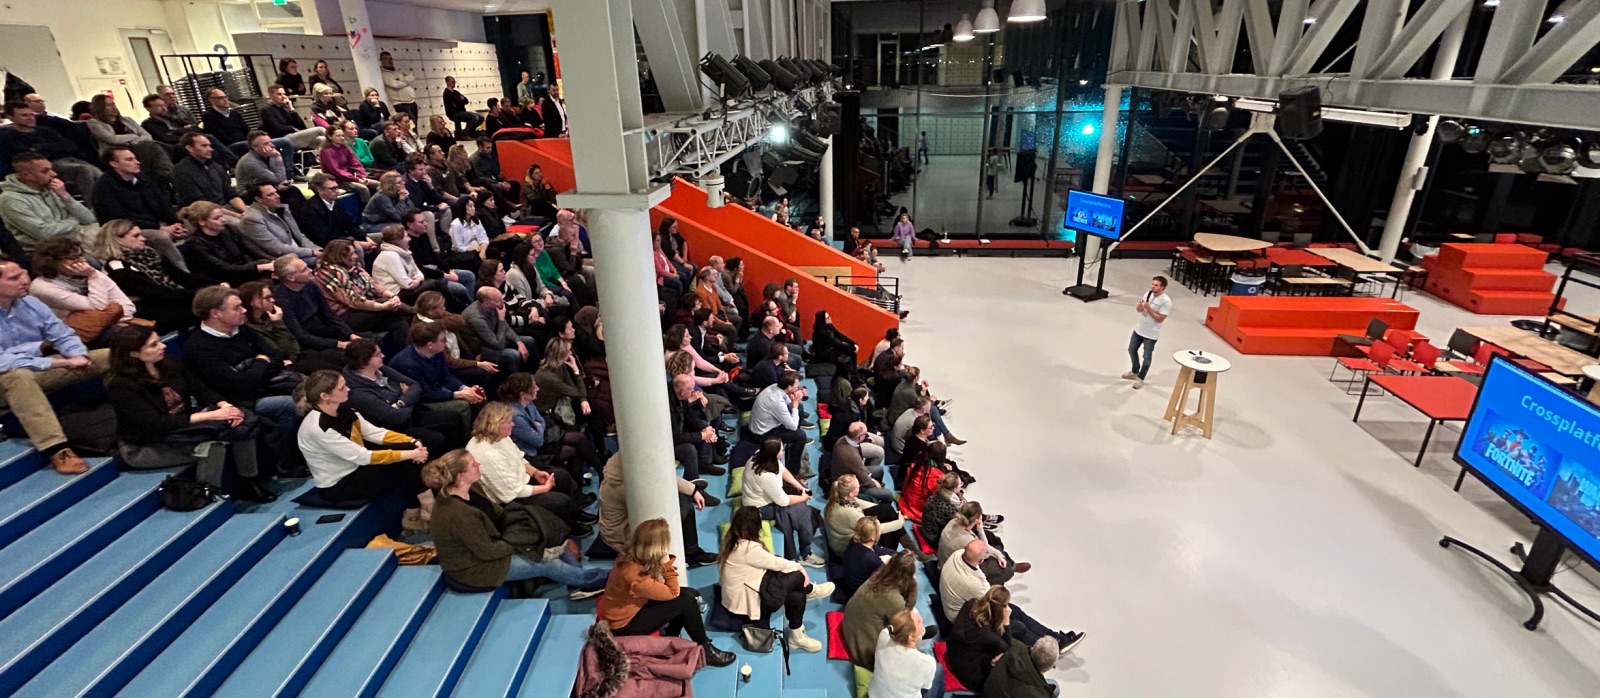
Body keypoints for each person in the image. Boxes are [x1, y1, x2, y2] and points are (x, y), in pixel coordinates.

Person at [105, 325, 273, 501]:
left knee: (239, 423)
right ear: (133, 354)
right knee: (211, 448)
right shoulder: (121, 387)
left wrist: (224, 406)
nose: (162, 346)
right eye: (153, 345)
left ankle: (249, 482)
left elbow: (200, 388)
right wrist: (210, 416)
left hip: (181, 430)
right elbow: (154, 424)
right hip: (147, 444)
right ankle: (207, 496)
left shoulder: (169, 364)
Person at [423, 449, 606, 598]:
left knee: (550, 535)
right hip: (476, 568)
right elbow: (489, 551)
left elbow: (498, 512)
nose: (478, 464)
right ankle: (592, 580)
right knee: (546, 563)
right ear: (461, 476)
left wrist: (528, 531)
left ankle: (578, 582)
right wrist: (523, 542)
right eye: (473, 464)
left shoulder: (473, 487)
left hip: (496, 542)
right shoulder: (457, 514)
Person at [181, 285, 306, 474]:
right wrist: (261, 361)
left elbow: (277, 355)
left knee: (314, 386)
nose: (244, 310)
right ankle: (284, 462)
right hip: (237, 402)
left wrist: (254, 368)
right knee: (288, 405)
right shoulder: (200, 348)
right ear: (216, 313)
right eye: (237, 307)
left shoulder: (242, 329)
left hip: (264, 386)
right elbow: (239, 386)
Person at [0, 256, 106, 474]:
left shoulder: (31, 302)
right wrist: (59, 361)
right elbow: (3, 361)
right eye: (14, 278)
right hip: (8, 380)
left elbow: (62, 334)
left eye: (23, 272)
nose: (24, 279)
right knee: (16, 375)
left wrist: (78, 355)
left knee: (115, 355)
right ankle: (58, 449)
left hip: (40, 367)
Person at [295, 370, 430, 525]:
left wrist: (411, 441)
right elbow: (363, 456)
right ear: (325, 396)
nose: (348, 389)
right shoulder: (319, 428)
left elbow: (374, 433)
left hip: (355, 467)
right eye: (341, 388)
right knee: (406, 464)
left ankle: (417, 511)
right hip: (339, 483)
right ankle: (424, 510)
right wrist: (411, 454)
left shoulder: (345, 410)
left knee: (410, 449)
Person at [599, 518, 738, 667]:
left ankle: (672, 634)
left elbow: (659, 589)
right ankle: (706, 650)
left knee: (690, 594)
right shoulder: (636, 577)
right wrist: (666, 564)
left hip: (627, 609)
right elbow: (673, 592)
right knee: (686, 601)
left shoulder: (630, 556)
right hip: (623, 626)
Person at [466, 402, 595, 536]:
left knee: (561, 476)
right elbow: (511, 493)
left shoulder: (500, 437)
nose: (513, 424)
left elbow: (519, 458)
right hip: (511, 498)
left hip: (520, 481)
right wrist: (545, 488)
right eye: (509, 422)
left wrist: (536, 473)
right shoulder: (487, 455)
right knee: (559, 501)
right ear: (495, 425)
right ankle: (569, 526)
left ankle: (574, 513)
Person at [718, 506, 834, 652]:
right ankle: (810, 590)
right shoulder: (749, 549)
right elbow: (778, 563)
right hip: (748, 600)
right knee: (796, 575)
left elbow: (773, 561)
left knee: (796, 594)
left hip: (744, 588)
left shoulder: (733, 540)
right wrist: (800, 568)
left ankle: (796, 635)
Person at [940, 539, 1083, 654]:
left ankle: (1055, 637)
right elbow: (989, 596)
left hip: (961, 602)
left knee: (1017, 612)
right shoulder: (975, 586)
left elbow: (981, 578)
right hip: (960, 617)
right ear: (981, 561)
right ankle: (1047, 649)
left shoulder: (958, 554)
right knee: (1016, 626)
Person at [594, 449, 720, 564]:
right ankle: (690, 554)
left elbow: (659, 476)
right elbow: (654, 504)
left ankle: (691, 552)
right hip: (621, 535)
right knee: (680, 510)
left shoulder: (622, 468)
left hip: (624, 524)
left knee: (682, 501)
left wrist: (692, 490)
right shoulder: (625, 489)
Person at [341, 338, 456, 454]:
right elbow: (395, 418)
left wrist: (400, 402)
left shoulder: (381, 369)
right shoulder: (359, 393)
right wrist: (406, 395)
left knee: (453, 417)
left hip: (411, 414)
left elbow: (415, 385)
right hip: (396, 429)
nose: (383, 355)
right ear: (364, 362)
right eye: (378, 354)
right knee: (436, 438)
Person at [90, 147, 189, 270]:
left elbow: (163, 204)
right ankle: (183, 272)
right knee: (161, 237)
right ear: (114, 164)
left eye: (135, 158)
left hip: (156, 224)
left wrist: (175, 222)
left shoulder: (143, 179)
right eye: (129, 159)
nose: (137, 162)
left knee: (194, 225)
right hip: (125, 231)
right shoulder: (104, 187)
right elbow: (117, 219)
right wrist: (160, 227)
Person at [91, 220, 196, 330]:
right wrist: (197, 295)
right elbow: (157, 294)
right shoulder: (117, 268)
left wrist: (211, 285)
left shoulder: (150, 254)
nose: (143, 239)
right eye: (136, 236)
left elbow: (184, 278)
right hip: (151, 311)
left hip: (172, 300)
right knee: (205, 307)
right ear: (118, 240)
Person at [28, 236, 135, 342]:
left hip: (106, 324)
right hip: (70, 334)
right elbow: (99, 307)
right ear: (52, 262)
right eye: (74, 258)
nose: (82, 261)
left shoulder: (88, 272)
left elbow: (128, 307)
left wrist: (113, 316)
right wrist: (92, 276)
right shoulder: (43, 287)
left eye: (81, 256)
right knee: (136, 338)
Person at [741, 438, 824, 567]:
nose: (783, 451)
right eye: (781, 449)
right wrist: (803, 498)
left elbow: (782, 470)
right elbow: (783, 501)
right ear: (774, 453)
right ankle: (805, 554)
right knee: (803, 513)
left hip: (769, 496)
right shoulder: (765, 476)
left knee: (799, 504)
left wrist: (800, 487)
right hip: (761, 508)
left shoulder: (761, 455)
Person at [0, 101, 102, 201]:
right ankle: (94, 208)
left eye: (31, 114)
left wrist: (40, 147)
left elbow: (69, 146)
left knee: (100, 174)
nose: (30, 118)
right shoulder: (9, 137)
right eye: (24, 115)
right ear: (11, 118)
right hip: (47, 166)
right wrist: (52, 148)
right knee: (83, 170)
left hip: (70, 159)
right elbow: (28, 156)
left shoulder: (45, 131)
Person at [389, 321, 487, 424]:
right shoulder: (406, 364)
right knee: (463, 405)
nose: (446, 343)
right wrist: (459, 394)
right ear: (430, 345)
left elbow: (445, 376)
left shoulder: (436, 351)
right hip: (420, 401)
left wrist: (464, 388)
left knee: (475, 396)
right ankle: (466, 437)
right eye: (443, 340)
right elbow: (425, 394)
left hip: (436, 388)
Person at [241, 280, 345, 374]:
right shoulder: (250, 328)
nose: (272, 300)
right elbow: (281, 351)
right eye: (267, 298)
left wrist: (294, 354)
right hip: (281, 364)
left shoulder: (270, 316)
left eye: (271, 297)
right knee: (325, 366)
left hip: (296, 355)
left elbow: (293, 340)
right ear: (252, 302)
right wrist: (278, 323)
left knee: (335, 356)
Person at [314, 239, 410, 341]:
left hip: (363, 308)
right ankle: (415, 312)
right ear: (340, 257)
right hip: (346, 315)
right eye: (351, 254)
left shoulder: (355, 267)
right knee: (386, 303)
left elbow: (374, 284)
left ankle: (407, 354)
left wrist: (392, 296)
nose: (356, 256)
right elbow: (352, 301)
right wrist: (383, 306)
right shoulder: (327, 274)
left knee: (399, 322)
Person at [0, 153, 97, 253]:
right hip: (45, 252)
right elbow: (45, 234)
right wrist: (74, 221)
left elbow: (88, 219)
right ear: (27, 176)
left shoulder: (52, 188)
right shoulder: (11, 200)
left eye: (51, 169)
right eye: (45, 171)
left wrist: (66, 197)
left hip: (73, 240)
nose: (53, 174)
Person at [842, 551, 919, 669]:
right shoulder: (894, 599)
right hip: (864, 647)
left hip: (850, 626)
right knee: (912, 628)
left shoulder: (878, 577)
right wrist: (913, 584)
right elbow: (906, 616)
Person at [84, 95, 174, 190]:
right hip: (116, 152)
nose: (113, 107)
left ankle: (166, 176)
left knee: (170, 148)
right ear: (99, 107)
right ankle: (170, 176)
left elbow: (147, 136)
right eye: (108, 105)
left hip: (138, 147)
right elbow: (111, 139)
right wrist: (134, 137)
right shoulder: (94, 123)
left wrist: (135, 141)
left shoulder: (127, 120)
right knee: (153, 146)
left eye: (113, 104)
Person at [272, 254, 358, 352]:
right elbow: (300, 336)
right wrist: (339, 344)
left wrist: (350, 335)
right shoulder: (281, 300)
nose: (310, 270)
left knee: (369, 340)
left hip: (323, 329)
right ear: (291, 277)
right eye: (304, 270)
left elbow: (329, 314)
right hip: (309, 342)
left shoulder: (310, 285)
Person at [371, 223, 470, 308]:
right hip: (395, 294)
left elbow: (418, 272)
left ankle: (458, 307)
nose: (409, 239)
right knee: (436, 284)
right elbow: (407, 284)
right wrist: (418, 279)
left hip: (409, 287)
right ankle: (460, 307)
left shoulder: (405, 251)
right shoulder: (390, 255)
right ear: (398, 240)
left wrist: (418, 279)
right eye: (406, 236)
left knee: (439, 284)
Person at [179, 201, 273, 287]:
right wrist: (257, 267)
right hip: (222, 280)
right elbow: (222, 268)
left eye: (222, 216)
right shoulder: (194, 244)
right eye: (217, 218)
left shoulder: (229, 229)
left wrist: (272, 261)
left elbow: (251, 249)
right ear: (202, 222)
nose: (223, 220)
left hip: (243, 270)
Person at [946, 586, 1014, 691]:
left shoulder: (971, 603)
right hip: (967, 673)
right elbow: (1008, 648)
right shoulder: (990, 636)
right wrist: (1006, 621)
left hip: (953, 653)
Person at [203, 89, 296, 166]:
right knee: (247, 145)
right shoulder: (209, 116)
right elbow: (220, 137)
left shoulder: (234, 113)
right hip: (230, 147)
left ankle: (288, 172)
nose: (225, 100)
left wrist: (255, 140)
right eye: (220, 98)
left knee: (285, 142)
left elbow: (247, 130)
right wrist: (251, 143)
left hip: (246, 142)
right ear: (211, 100)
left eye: (225, 97)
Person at [748, 371, 811, 476]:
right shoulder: (776, 401)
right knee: (800, 435)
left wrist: (797, 397)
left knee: (799, 408)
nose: (799, 386)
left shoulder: (776, 387)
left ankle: (791, 443)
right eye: (797, 385)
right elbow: (793, 426)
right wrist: (795, 404)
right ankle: (793, 470)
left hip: (767, 424)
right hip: (762, 433)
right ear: (790, 387)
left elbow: (788, 403)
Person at [242, 184, 319, 264]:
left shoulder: (282, 210)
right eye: (270, 195)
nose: (278, 196)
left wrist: (316, 249)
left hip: (300, 253)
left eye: (276, 192)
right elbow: (277, 249)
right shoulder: (252, 219)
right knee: (326, 262)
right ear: (258, 199)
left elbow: (299, 236)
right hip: (281, 260)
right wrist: (311, 252)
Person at [462, 286, 530, 375]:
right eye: (498, 300)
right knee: (513, 354)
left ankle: (531, 375)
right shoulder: (476, 318)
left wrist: (519, 342)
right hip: (479, 348)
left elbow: (505, 328)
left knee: (528, 341)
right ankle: (514, 383)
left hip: (493, 338)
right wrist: (501, 319)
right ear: (486, 303)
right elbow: (498, 345)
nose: (503, 302)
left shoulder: (492, 307)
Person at [173, 132, 246, 214]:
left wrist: (245, 212)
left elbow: (231, 194)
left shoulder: (216, 167)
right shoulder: (181, 170)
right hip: (203, 214)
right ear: (190, 148)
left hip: (226, 208)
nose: (210, 149)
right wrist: (237, 216)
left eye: (210, 146)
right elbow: (199, 203)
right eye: (204, 146)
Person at [298, 173, 372, 249]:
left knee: (376, 238)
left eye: (337, 187)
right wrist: (354, 243)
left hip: (343, 239)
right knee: (357, 248)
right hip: (325, 245)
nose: (337, 191)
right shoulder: (310, 209)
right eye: (332, 189)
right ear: (320, 191)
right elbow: (323, 236)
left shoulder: (336, 203)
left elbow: (350, 223)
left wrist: (365, 237)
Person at [1124, 275, 1171, 390]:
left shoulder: (1166, 302)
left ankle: (1141, 378)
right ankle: (1135, 370)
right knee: (1131, 349)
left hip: (1151, 334)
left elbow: (1160, 319)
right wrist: (1140, 306)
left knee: (1147, 357)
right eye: (1152, 284)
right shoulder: (1148, 294)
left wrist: (1149, 308)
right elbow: (1139, 310)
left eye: (1156, 285)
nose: (1153, 287)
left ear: (1163, 287)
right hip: (1139, 329)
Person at [236, 132, 304, 206]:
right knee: (289, 199)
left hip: (268, 187)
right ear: (255, 147)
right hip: (250, 194)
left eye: (270, 142)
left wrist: (278, 185)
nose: (272, 146)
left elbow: (281, 180)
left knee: (293, 190)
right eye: (266, 144)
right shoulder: (250, 162)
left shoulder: (269, 155)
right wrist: (278, 157)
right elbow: (279, 179)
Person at [833, 421, 893, 503]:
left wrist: (871, 477)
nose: (867, 436)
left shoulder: (843, 439)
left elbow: (860, 468)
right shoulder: (851, 455)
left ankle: (874, 497)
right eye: (865, 434)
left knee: (878, 470)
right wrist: (874, 483)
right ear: (860, 437)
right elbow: (864, 478)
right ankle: (882, 511)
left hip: (852, 474)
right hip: (848, 485)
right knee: (888, 494)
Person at [982, 635, 1060, 698]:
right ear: (1053, 666)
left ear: (1033, 647)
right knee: (1055, 687)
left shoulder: (1014, 646)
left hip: (989, 692)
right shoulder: (1038, 694)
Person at [317, 129, 377, 204]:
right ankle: (367, 211)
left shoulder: (345, 147)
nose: (342, 138)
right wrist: (357, 179)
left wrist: (361, 176)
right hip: (338, 179)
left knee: (379, 185)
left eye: (342, 135)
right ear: (329, 137)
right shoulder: (326, 151)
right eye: (338, 136)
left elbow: (355, 163)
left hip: (352, 176)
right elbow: (337, 171)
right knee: (363, 189)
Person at [260, 85, 326, 152]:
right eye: (279, 94)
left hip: (294, 136)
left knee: (322, 139)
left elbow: (302, 127)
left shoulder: (285, 108)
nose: (283, 97)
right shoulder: (266, 109)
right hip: (282, 138)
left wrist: (292, 109)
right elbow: (275, 128)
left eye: (284, 94)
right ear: (271, 95)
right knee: (320, 130)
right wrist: (292, 128)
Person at [467, 137, 519, 203]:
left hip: (491, 179)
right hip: (481, 182)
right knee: (498, 187)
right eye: (488, 148)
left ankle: (515, 206)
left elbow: (495, 171)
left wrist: (503, 180)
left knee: (514, 183)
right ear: (480, 147)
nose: (490, 150)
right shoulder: (474, 160)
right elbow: (480, 178)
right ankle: (506, 205)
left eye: (491, 147)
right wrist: (498, 183)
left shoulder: (490, 155)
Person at [380, 51, 419, 120]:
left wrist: (400, 79)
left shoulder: (398, 71)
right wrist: (406, 81)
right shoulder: (383, 74)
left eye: (390, 59)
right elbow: (395, 85)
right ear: (381, 61)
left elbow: (411, 77)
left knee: (415, 124)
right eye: (386, 59)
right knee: (411, 124)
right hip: (401, 104)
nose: (389, 61)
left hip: (411, 102)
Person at [448, 196, 489, 260]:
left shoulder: (476, 220)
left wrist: (483, 251)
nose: (473, 208)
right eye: (470, 206)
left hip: (477, 247)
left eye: (474, 206)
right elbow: (458, 247)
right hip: (461, 253)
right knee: (475, 258)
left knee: (493, 251)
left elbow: (484, 238)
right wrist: (474, 250)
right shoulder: (456, 224)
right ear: (462, 208)